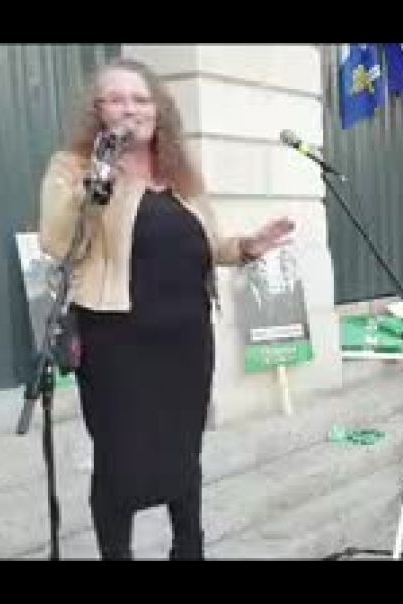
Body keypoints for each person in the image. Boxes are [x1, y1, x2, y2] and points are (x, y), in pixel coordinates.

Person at [38, 58, 295, 560]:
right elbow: (59, 241)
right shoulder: (72, 167)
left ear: (159, 109)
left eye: (141, 99)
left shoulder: (179, 171)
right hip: (118, 342)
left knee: (184, 451)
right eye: (116, 99)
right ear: (98, 111)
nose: (130, 109)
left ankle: (188, 547)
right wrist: (100, 177)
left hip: (186, 340)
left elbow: (205, 245)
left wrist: (246, 246)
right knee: (121, 463)